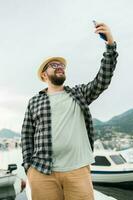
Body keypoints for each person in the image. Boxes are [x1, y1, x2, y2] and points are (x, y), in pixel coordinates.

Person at [21, 22, 118, 200]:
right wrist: (29, 166)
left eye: (61, 65)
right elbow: (27, 136)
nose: (59, 66)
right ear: (44, 75)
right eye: (54, 65)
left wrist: (110, 44)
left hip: (78, 171)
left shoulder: (79, 94)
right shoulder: (34, 101)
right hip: (42, 172)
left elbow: (103, 79)